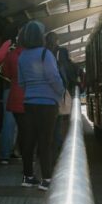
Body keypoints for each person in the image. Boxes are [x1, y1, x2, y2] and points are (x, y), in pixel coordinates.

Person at [18, 20, 65, 191]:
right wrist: (59, 93)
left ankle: (28, 176)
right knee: (46, 142)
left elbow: (21, 82)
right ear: (40, 37)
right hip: (47, 105)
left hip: (29, 103)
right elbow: (54, 78)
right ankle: (46, 179)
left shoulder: (22, 56)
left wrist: (32, 92)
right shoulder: (46, 54)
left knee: (29, 141)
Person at [0, 27, 25, 165]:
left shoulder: (11, 49)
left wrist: (7, 43)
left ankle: (6, 153)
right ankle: (15, 151)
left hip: (10, 87)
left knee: (9, 122)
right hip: (25, 89)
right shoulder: (29, 49)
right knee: (21, 123)